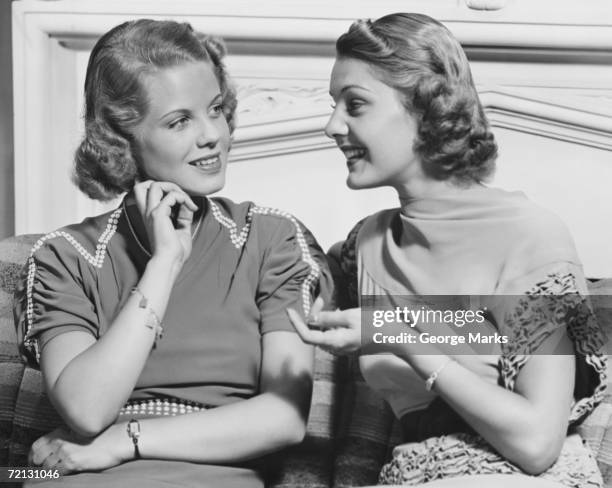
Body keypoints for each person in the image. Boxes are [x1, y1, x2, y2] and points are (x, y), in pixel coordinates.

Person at [288, 13, 606, 488]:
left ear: (426, 109)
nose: (332, 126)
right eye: (335, 105)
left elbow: (538, 443)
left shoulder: (531, 237)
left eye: (355, 105)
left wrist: (398, 333)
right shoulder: (367, 245)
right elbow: (466, 322)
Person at [14, 19, 332, 487]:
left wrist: (127, 439)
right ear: (119, 139)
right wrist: (163, 264)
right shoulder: (65, 256)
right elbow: (86, 410)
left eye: (216, 109)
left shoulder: (270, 239)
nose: (212, 135)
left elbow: (284, 418)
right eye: (180, 121)